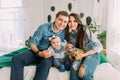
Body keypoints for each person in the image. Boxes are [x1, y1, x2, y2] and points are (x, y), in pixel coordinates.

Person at [10, 11, 69, 80]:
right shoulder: (43, 28)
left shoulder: (65, 32)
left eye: (65, 22)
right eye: (60, 20)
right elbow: (32, 43)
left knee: (45, 65)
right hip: (37, 51)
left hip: (50, 55)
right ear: (55, 19)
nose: (62, 23)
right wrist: (39, 53)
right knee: (16, 58)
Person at [65, 13, 103, 80]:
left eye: (74, 21)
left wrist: (84, 55)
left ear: (78, 22)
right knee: (73, 69)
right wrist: (70, 49)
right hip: (80, 56)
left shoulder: (85, 30)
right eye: (69, 21)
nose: (72, 24)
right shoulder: (70, 35)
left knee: (83, 73)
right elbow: (74, 49)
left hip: (92, 54)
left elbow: (99, 46)